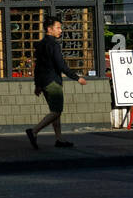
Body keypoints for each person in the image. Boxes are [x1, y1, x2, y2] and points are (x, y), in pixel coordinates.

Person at [26, 15, 87, 149]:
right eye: (58, 28)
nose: (61, 30)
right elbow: (61, 66)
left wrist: (38, 85)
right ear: (49, 29)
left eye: (61, 28)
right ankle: (34, 131)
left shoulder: (41, 44)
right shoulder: (54, 45)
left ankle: (59, 139)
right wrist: (77, 78)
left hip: (44, 82)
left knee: (54, 111)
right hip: (53, 82)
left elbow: (38, 67)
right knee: (57, 111)